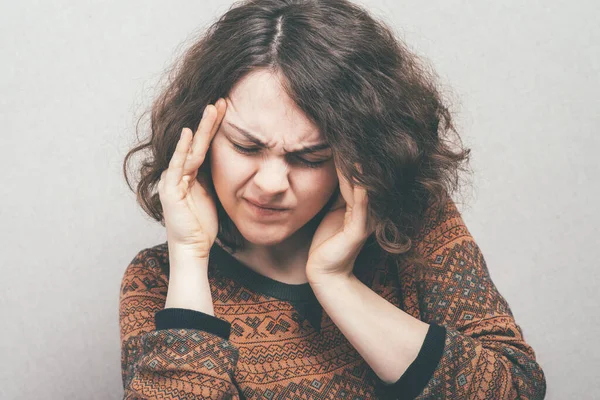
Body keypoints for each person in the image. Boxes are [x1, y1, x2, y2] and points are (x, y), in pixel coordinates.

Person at [120, 0, 547, 399]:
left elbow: (517, 387)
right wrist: (191, 259)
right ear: (200, 139)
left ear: (357, 154)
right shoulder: (160, 279)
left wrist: (337, 284)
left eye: (309, 157)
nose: (271, 183)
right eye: (246, 147)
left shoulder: (414, 231)